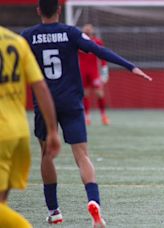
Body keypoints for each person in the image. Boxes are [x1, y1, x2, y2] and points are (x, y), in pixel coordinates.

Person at [21, 0, 152, 226]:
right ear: (60, 10)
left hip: (45, 103)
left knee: (46, 155)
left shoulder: (27, 36)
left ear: (39, 10)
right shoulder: (71, 33)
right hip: (71, 102)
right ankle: (94, 204)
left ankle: (54, 212)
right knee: (82, 156)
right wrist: (131, 66)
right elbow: (100, 50)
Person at [0, 26, 60, 227]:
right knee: (2, 205)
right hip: (18, 133)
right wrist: (52, 130)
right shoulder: (16, 42)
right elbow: (41, 87)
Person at [78, 24, 110, 125]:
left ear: (92, 31)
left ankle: (103, 116)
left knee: (100, 94)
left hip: (94, 72)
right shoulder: (79, 42)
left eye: (89, 30)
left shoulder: (97, 42)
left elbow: (103, 56)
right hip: (82, 72)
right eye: (85, 30)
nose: (87, 31)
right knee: (84, 94)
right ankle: (87, 117)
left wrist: (104, 71)